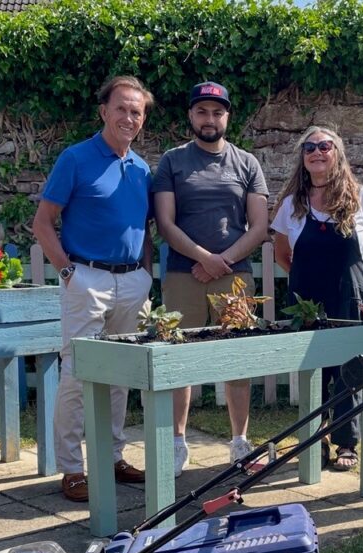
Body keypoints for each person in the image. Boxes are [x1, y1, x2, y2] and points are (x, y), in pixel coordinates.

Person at [31, 76, 154, 502]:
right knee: (77, 373)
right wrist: (68, 274)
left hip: (132, 281)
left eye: (136, 111)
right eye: (121, 108)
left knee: (120, 374)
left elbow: (144, 228)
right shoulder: (76, 158)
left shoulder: (141, 168)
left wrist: (146, 274)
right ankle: (71, 468)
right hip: (87, 279)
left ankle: (113, 457)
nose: (128, 117)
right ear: (103, 111)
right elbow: (43, 223)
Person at [152, 81, 270, 477]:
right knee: (179, 359)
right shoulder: (172, 161)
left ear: (227, 117)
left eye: (217, 112)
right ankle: (176, 443)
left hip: (233, 277)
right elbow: (165, 224)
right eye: (202, 111)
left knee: (236, 359)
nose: (209, 119)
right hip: (183, 274)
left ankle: (239, 442)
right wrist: (204, 259)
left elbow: (259, 226)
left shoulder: (247, 163)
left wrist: (223, 261)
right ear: (191, 116)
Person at [270, 126, 363, 472]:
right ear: (302, 158)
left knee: (349, 369)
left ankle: (347, 442)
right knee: (314, 369)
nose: (317, 152)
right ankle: (317, 440)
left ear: (338, 153)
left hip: (349, 294)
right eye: (310, 147)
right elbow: (283, 254)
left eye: (325, 146)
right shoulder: (290, 206)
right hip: (308, 297)